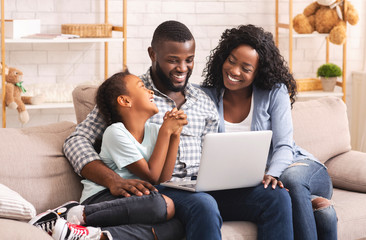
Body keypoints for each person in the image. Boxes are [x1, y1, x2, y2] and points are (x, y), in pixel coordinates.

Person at [63, 20, 294, 240]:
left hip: (203, 186)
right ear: (153, 54)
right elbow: (76, 141)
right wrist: (112, 179)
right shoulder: (130, 94)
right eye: (173, 60)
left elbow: (221, 154)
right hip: (164, 190)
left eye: (189, 60)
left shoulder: (204, 101)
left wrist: (248, 175)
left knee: (276, 198)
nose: (182, 68)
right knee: (203, 204)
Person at [200, 24, 337, 240]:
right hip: (253, 180)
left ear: (258, 72)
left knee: (289, 181)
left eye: (246, 68)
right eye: (232, 61)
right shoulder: (207, 96)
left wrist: (272, 173)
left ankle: (306, 198)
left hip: (297, 166)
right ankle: (310, 206)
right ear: (223, 58)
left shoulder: (273, 91)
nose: (234, 71)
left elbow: (284, 145)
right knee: (285, 194)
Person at [30, 70, 187, 240]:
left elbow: (164, 178)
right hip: (102, 199)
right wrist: (166, 131)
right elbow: (152, 176)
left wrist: (175, 135)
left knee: (176, 227)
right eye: (142, 87)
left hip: (132, 200)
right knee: (162, 204)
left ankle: (92, 236)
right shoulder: (115, 132)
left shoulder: (155, 131)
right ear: (125, 100)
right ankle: (75, 214)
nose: (150, 91)